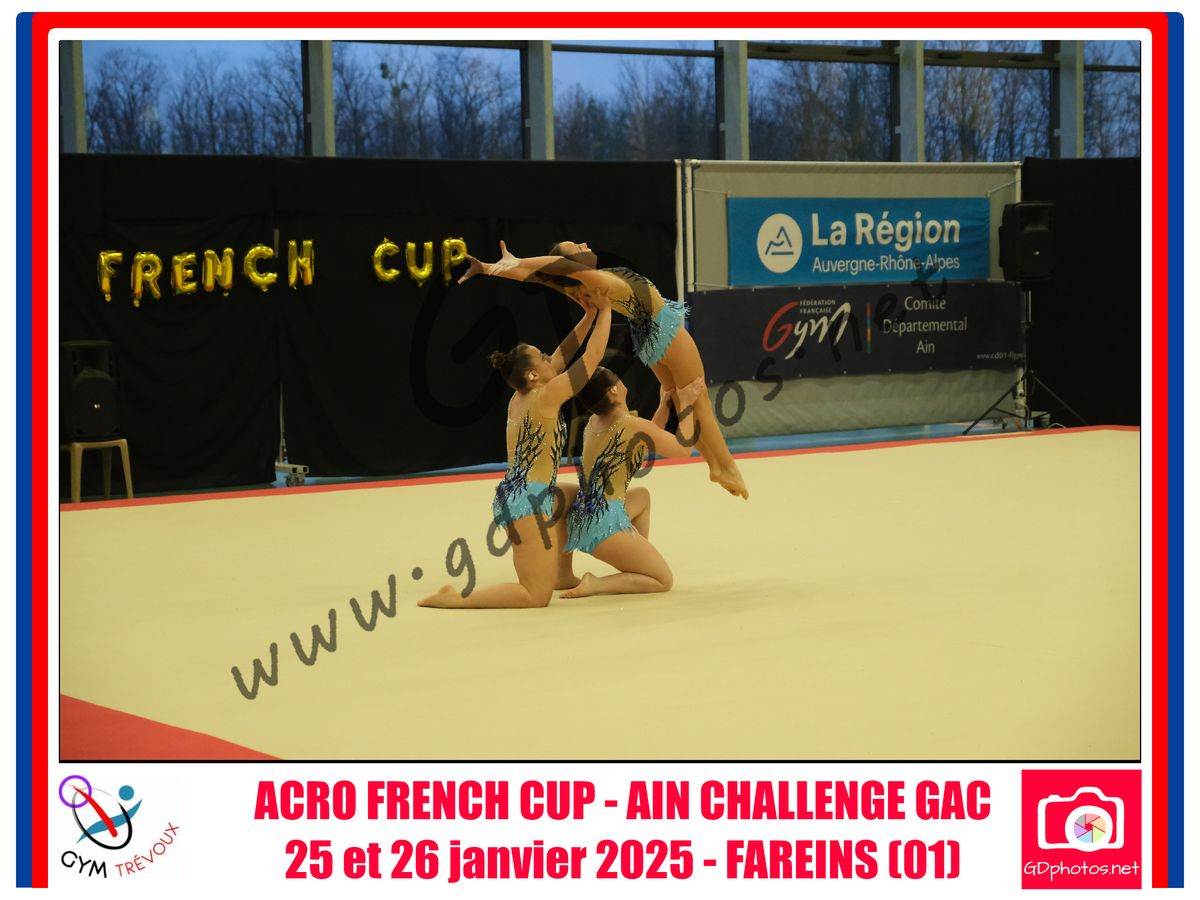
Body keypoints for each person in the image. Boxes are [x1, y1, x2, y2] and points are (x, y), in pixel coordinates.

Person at [458, 240, 750, 500]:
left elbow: (538, 276)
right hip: (663, 326)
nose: (584, 244)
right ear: (572, 265)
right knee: (698, 397)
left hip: (644, 335)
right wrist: (519, 261)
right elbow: (553, 267)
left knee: (678, 394)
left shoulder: (577, 286)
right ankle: (725, 466)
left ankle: (714, 465)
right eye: (577, 248)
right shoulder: (593, 280)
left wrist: (490, 268)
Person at [418, 293, 613, 609]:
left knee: (574, 497)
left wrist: (589, 315)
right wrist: (605, 311)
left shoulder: (524, 395)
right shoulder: (545, 396)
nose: (551, 358)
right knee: (535, 595)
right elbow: (591, 359)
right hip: (526, 503)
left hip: (525, 492)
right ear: (533, 375)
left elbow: (563, 355)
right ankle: (455, 599)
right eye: (543, 357)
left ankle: (562, 573)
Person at [559, 367, 704, 599]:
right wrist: (686, 404)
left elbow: (643, 443)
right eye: (617, 376)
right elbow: (683, 449)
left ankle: (636, 557)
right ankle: (597, 584)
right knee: (663, 580)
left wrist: (663, 405)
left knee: (641, 496)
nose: (621, 378)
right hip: (604, 526)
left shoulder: (595, 422)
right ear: (614, 390)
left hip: (580, 519)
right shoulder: (631, 425)